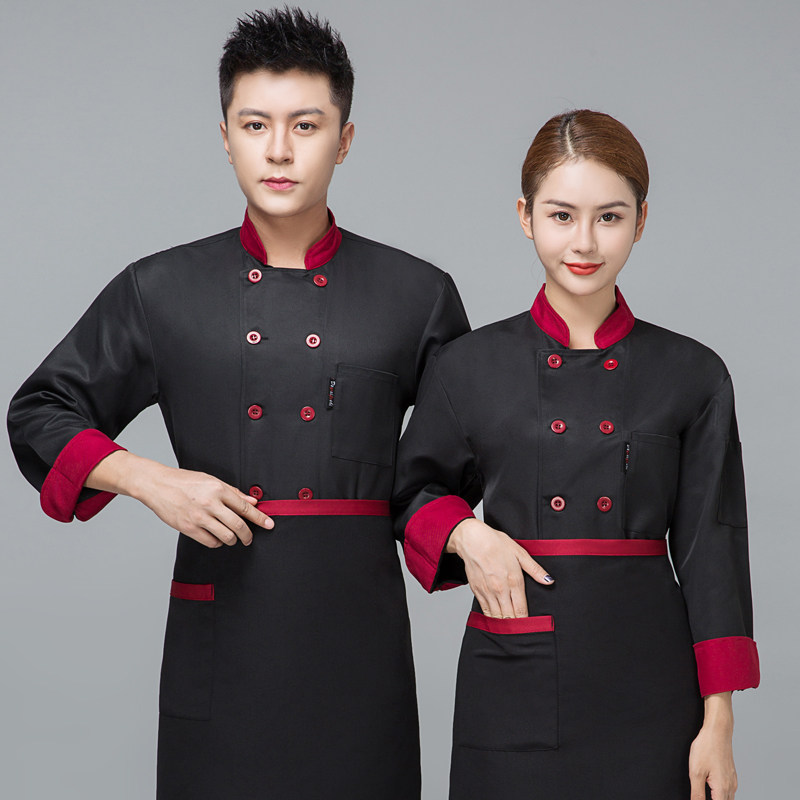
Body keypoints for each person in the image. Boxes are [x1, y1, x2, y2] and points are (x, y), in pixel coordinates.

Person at [7, 8, 469, 799]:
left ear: (344, 140)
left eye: (305, 125)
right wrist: (148, 479)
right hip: (222, 646)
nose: (279, 150)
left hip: (358, 658)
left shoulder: (417, 295)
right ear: (226, 136)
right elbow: (40, 410)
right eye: (256, 125)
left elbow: (463, 462)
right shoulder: (161, 289)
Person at [392, 109, 759, 800]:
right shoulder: (467, 366)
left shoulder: (693, 373)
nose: (584, 242)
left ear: (641, 221)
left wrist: (719, 722)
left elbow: (713, 548)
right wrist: (468, 534)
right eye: (562, 216)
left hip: (651, 684)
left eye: (609, 217)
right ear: (526, 217)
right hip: (514, 672)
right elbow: (410, 492)